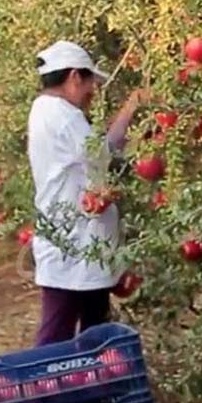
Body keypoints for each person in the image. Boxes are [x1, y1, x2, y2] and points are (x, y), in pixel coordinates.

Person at [27, 40, 145, 346]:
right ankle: (44, 391)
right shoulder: (61, 114)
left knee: (93, 328)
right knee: (57, 334)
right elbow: (104, 153)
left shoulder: (52, 111)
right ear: (75, 77)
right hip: (73, 244)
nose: (93, 91)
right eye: (91, 81)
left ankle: (86, 390)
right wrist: (131, 108)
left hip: (83, 243)